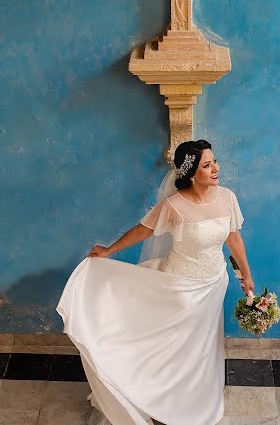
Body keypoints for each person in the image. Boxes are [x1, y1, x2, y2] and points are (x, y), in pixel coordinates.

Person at [56, 140, 254, 425]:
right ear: (191, 173)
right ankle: (159, 398)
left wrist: (245, 275)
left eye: (214, 161)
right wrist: (109, 250)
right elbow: (142, 231)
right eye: (207, 165)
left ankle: (193, 398)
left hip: (214, 283)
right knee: (177, 346)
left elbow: (233, 238)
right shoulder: (173, 206)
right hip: (180, 288)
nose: (215, 169)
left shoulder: (228, 198)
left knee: (202, 344)